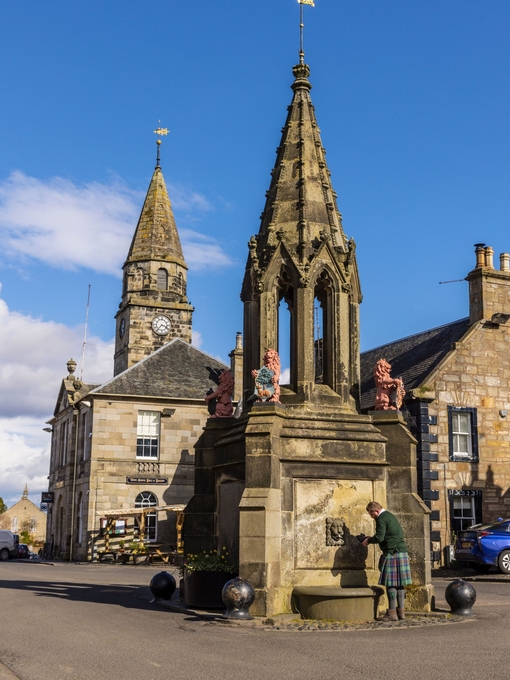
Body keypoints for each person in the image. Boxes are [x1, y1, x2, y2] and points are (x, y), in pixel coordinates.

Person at [362, 501, 412, 621]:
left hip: (392, 553)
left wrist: (367, 541)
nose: (371, 517)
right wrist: (370, 538)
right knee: (400, 584)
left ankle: (391, 613)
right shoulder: (389, 515)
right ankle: (401, 613)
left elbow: (380, 537)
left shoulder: (381, 518)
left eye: (371, 514)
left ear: (376, 511)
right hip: (401, 552)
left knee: (391, 584)